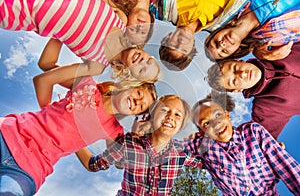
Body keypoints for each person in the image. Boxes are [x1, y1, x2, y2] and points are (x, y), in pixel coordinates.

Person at [0, 33, 158, 195]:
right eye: (139, 94)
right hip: (8, 133)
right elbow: (43, 79)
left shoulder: (114, 131)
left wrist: (72, 140)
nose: (138, 102)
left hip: (30, 168)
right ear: (129, 86)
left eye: (141, 107)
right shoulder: (87, 84)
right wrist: (50, 113)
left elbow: (112, 162)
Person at [0, 0, 159, 83]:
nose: (142, 62)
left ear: (130, 74)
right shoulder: (122, 22)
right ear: (144, 50)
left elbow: (47, 71)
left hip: (21, 14)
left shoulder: (97, 66)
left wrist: (60, 33)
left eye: (142, 70)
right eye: (149, 61)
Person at [75, 95, 203, 195]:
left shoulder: (182, 151)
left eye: (177, 115)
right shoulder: (129, 144)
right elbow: (93, 164)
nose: (170, 116)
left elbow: (210, 162)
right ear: (152, 116)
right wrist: (72, 137)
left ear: (180, 127)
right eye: (164, 110)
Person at [187, 91, 300, 195]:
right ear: (202, 132)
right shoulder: (205, 148)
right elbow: (177, 150)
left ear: (227, 115)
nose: (216, 124)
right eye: (206, 123)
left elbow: (286, 165)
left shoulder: (253, 132)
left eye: (218, 115)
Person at [205, 41, 300, 140]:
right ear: (237, 90)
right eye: (234, 80)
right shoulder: (265, 109)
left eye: (235, 68)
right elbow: (261, 141)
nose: (241, 74)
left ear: (239, 61)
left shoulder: (273, 48)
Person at [205, 0, 300, 61]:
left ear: (214, 33)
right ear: (236, 51)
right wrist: (261, 55)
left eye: (215, 43)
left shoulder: (231, 5)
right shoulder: (268, 41)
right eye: (224, 51)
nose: (222, 45)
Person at [151, 0, 232, 71]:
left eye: (174, 45)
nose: (181, 43)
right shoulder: (220, 25)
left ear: (167, 38)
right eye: (184, 50)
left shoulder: (164, 6)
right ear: (192, 49)